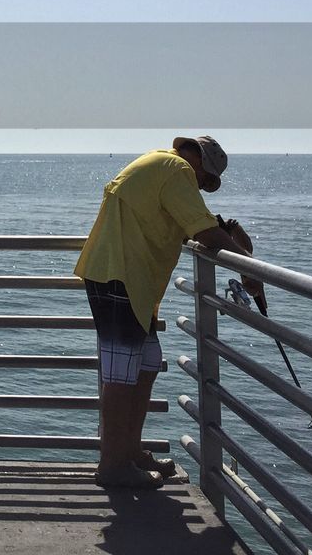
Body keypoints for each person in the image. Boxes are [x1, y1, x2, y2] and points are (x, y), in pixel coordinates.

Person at [74, 135, 262, 489]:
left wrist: (230, 233)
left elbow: (199, 221)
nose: (203, 188)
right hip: (118, 275)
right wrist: (248, 267)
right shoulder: (176, 169)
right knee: (121, 373)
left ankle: (128, 451)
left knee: (145, 362)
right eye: (207, 181)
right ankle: (112, 464)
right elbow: (204, 231)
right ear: (199, 161)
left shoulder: (161, 166)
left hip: (128, 280)